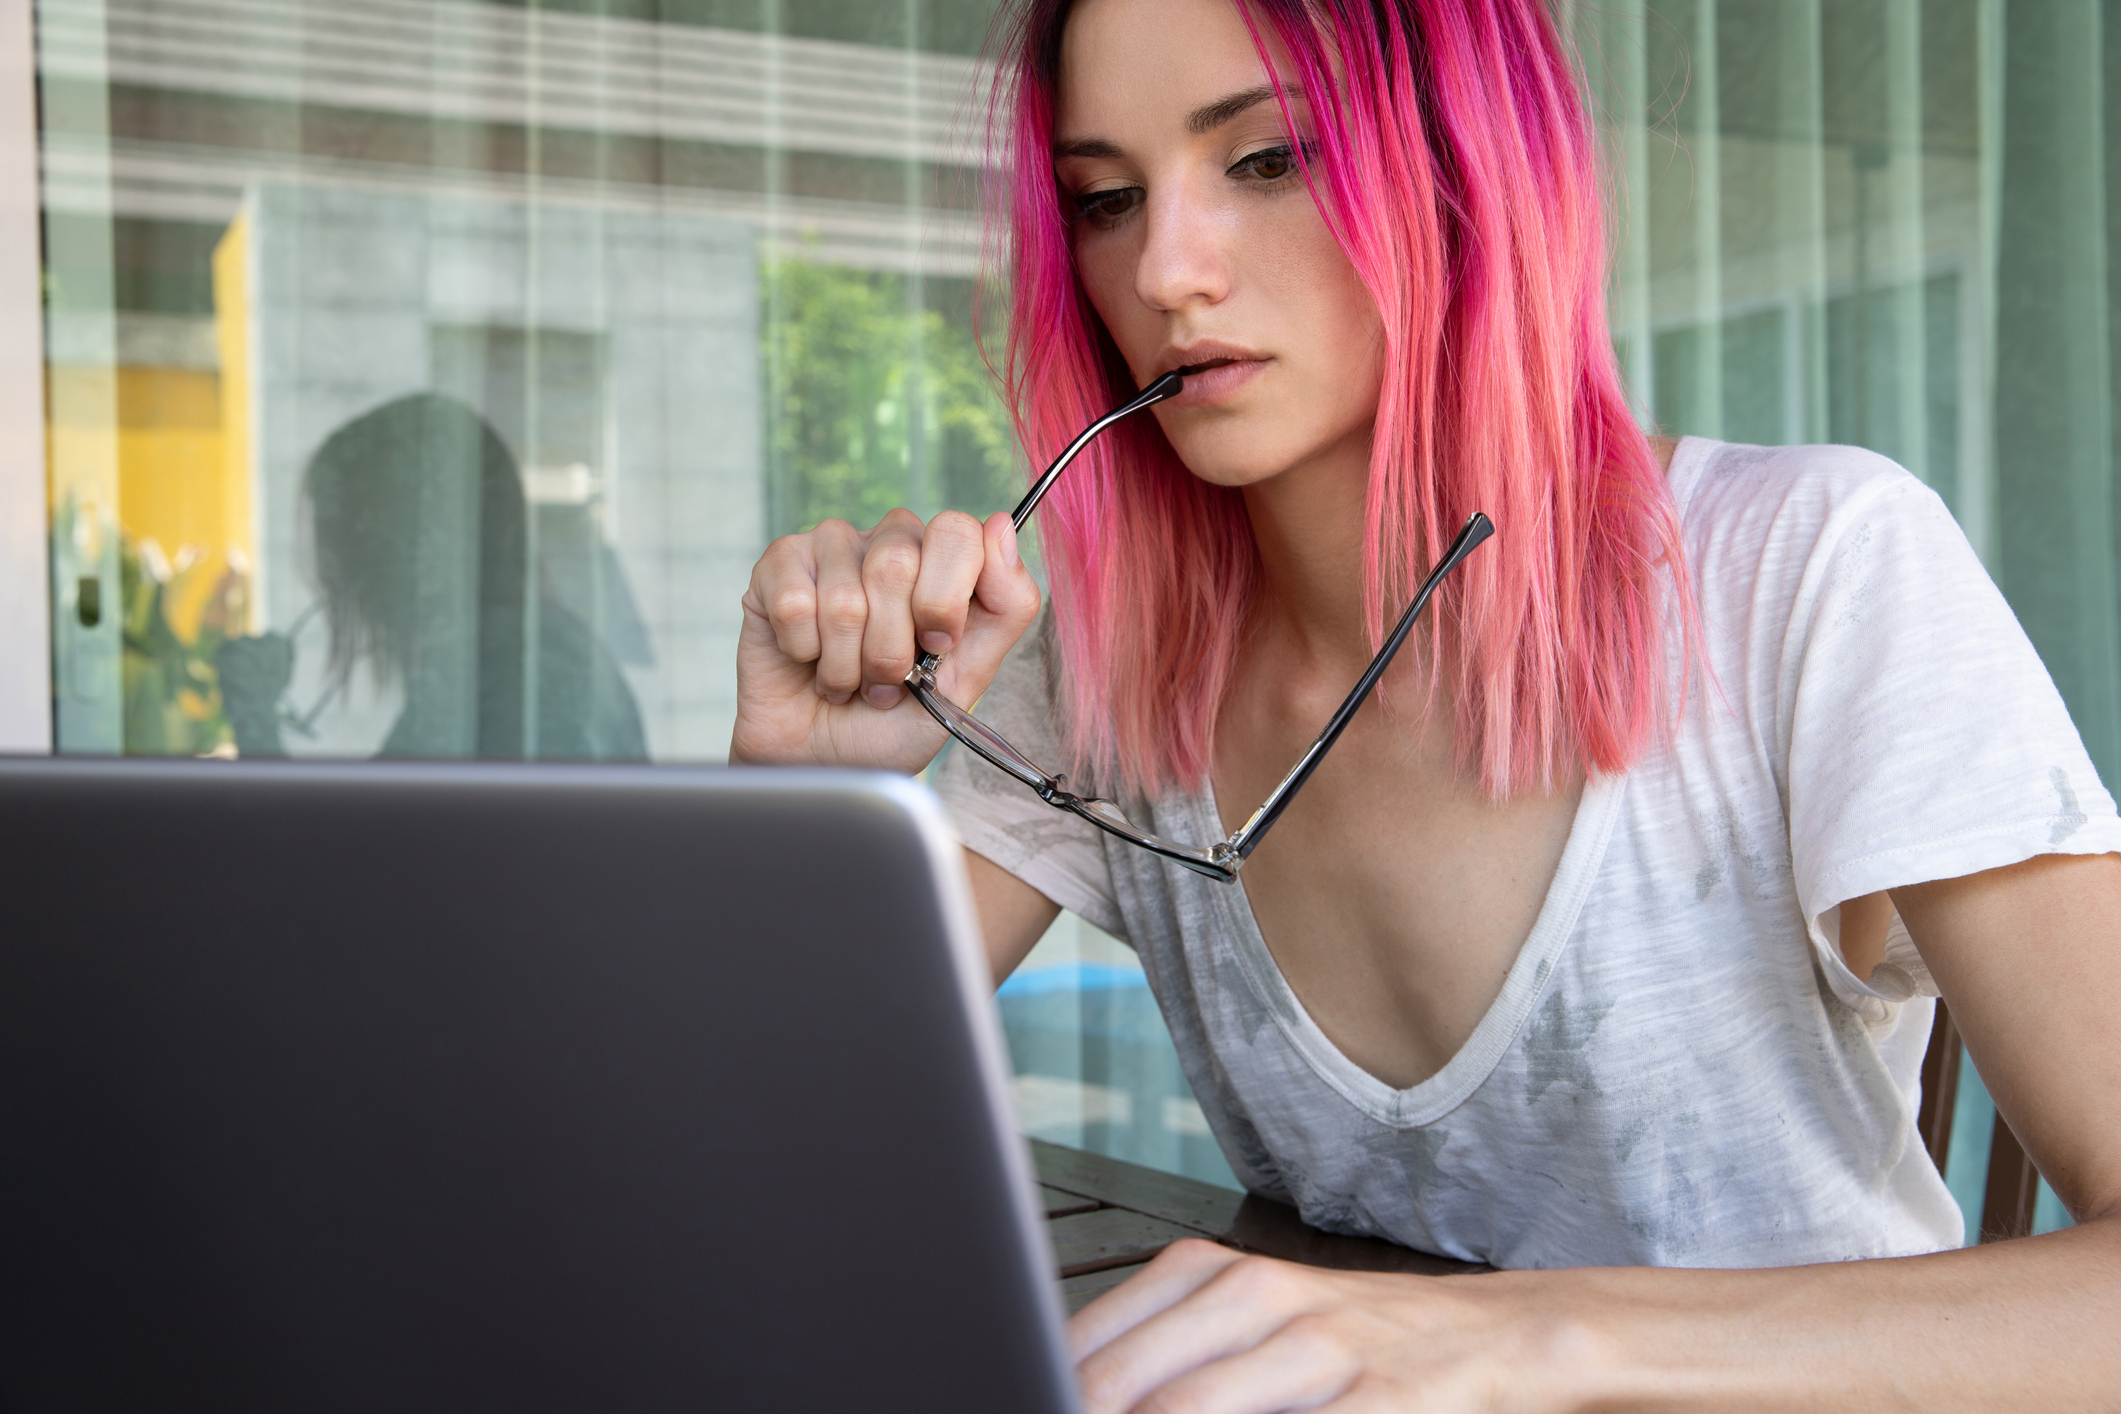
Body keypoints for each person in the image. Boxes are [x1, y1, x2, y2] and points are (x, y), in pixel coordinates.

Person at [732, 0, 2121, 1406]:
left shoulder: (1813, 567)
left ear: (1473, 165)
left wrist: (1538, 1338)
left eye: (1269, 160)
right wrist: (800, 796)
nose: (1165, 267)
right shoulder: (1105, 667)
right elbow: (732, 1145)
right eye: (1104, 198)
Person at [222, 393, 647, 762]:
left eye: (350, 554)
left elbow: (367, 848)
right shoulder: (514, 655)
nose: (344, 589)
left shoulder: (515, 671)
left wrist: (254, 721)